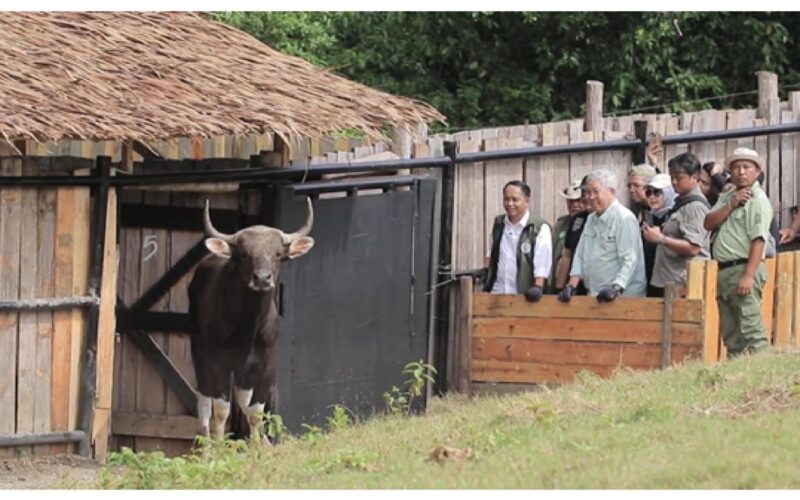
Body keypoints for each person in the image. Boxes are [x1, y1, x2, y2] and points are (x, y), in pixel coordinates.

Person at [703, 147, 773, 356]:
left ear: (757, 171)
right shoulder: (728, 196)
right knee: (731, 332)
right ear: (730, 172)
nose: (741, 172)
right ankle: (737, 376)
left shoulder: (758, 201)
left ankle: (764, 374)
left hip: (744, 267)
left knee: (751, 329)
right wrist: (731, 205)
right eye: (736, 167)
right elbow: (708, 223)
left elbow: (759, 239)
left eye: (747, 167)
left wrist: (749, 276)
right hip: (725, 269)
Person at [559, 169, 647, 302]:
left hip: (623, 298)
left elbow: (630, 259)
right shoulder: (591, 219)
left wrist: (617, 288)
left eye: (596, 191)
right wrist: (571, 285)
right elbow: (580, 255)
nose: (590, 197)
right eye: (588, 192)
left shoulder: (624, 218)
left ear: (611, 191)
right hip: (594, 294)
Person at [642, 152, 710, 298]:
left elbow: (694, 248)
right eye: (672, 177)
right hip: (670, 281)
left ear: (694, 178)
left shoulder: (694, 206)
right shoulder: (681, 203)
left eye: (679, 178)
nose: (673, 182)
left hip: (682, 284)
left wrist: (661, 239)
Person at [483, 180, 553, 302]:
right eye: (506, 199)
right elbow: (491, 254)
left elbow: (542, 263)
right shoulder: (499, 223)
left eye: (515, 199)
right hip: (497, 293)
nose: (510, 203)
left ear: (527, 201)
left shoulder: (539, 227)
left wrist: (537, 288)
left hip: (524, 297)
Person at [641, 173, 676, 295]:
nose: (651, 197)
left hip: (670, 280)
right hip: (651, 277)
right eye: (648, 193)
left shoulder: (675, 216)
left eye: (657, 192)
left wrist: (660, 238)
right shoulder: (649, 216)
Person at [548, 179, 584, 293]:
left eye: (578, 201)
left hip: (581, 283)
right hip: (559, 280)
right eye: (570, 201)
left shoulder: (591, 223)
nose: (574, 205)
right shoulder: (560, 223)